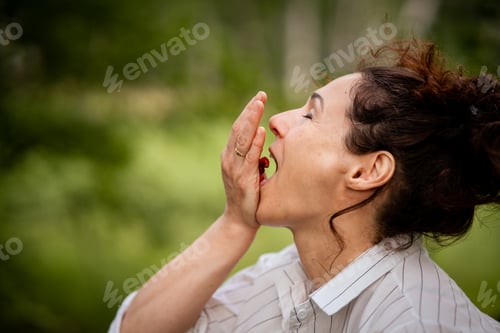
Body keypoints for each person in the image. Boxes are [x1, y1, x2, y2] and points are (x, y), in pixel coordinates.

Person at [109, 39, 500, 332]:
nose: (278, 120)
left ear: (366, 172)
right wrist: (235, 223)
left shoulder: (414, 322)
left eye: (311, 115)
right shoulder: (291, 273)